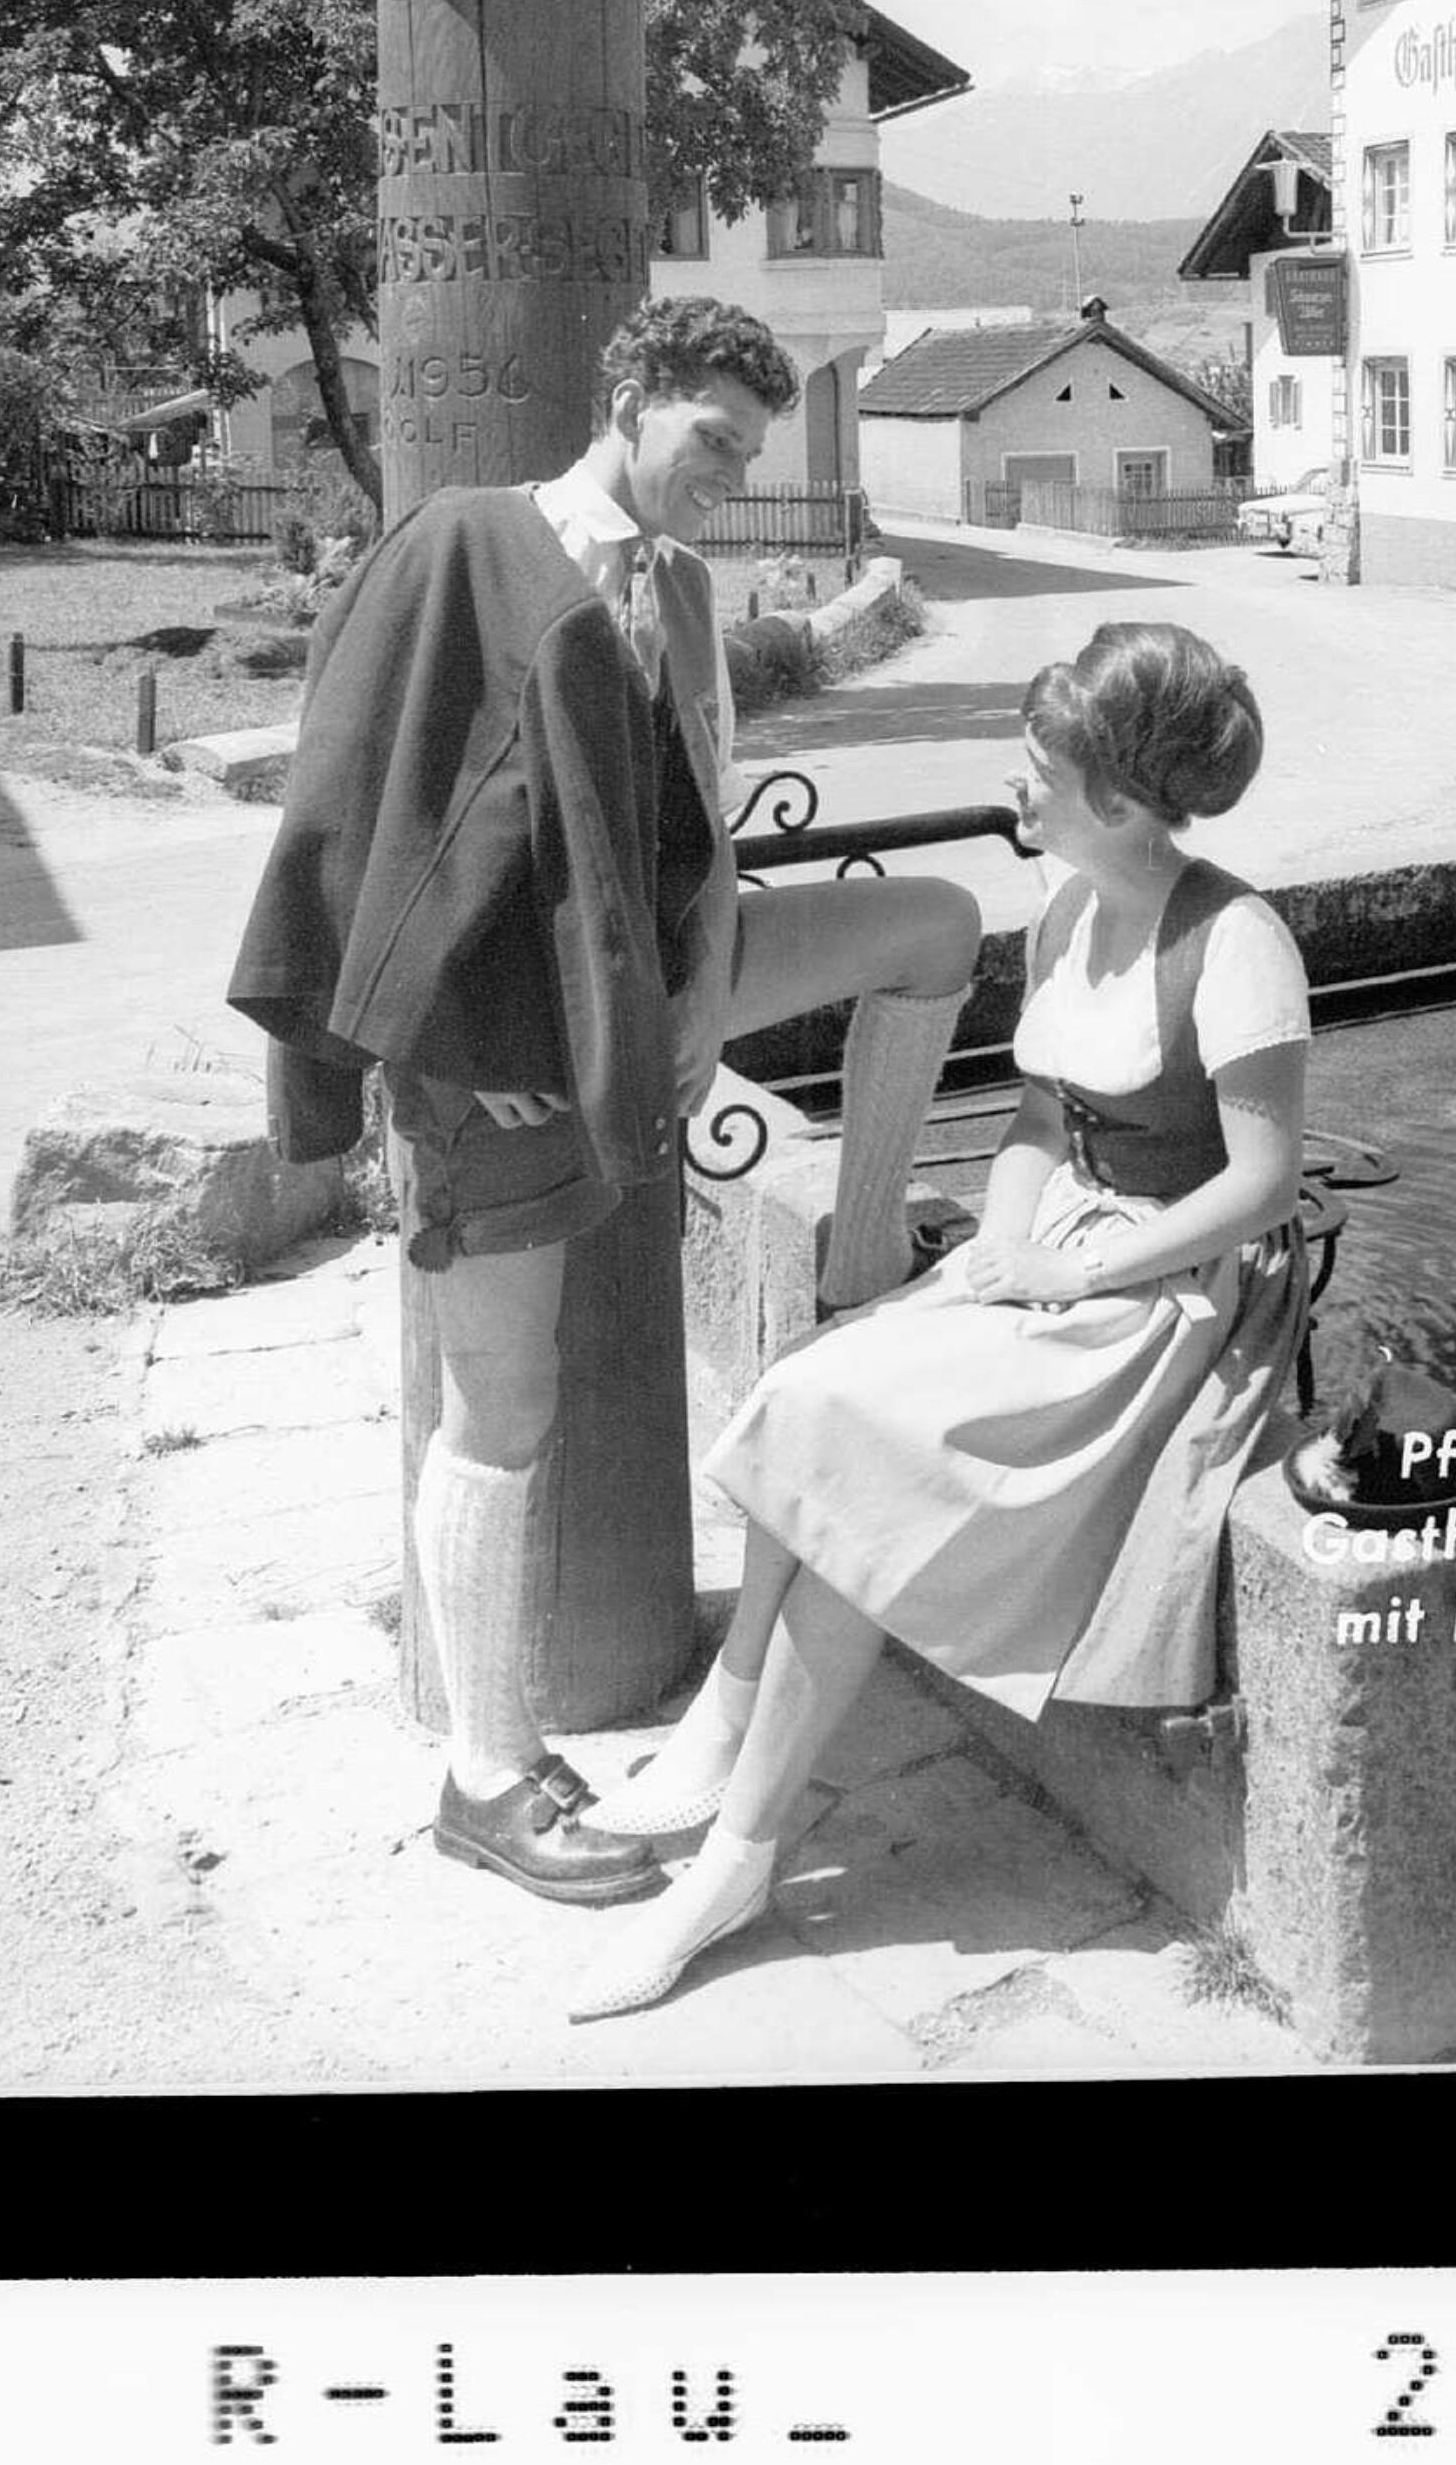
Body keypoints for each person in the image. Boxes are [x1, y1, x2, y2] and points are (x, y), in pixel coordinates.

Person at [227, 296, 981, 1907]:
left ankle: (862, 1265)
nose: (729, 473)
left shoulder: (691, 590)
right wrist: (438, 1071)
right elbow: (365, 817)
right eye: (712, 440)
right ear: (629, 397)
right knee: (504, 1409)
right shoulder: (471, 548)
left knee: (938, 929)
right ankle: (486, 1774)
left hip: (651, 995)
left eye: (751, 449)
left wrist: (704, 999)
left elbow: (697, 813)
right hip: (505, 1048)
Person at [570, 622, 1312, 2020]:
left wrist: (1081, 1276)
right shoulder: (1069, 915)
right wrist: (1010, 1233)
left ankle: (738, 1859)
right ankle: (727, 1725)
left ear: (1116, 799)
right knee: (814, 1379)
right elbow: (1038, 1119)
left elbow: (1263, 1186)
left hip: (1173, 1296)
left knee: (871, 1467)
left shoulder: (1237, 942)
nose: (1014, 788)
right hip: (1065, 1254)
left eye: (1038, 766)